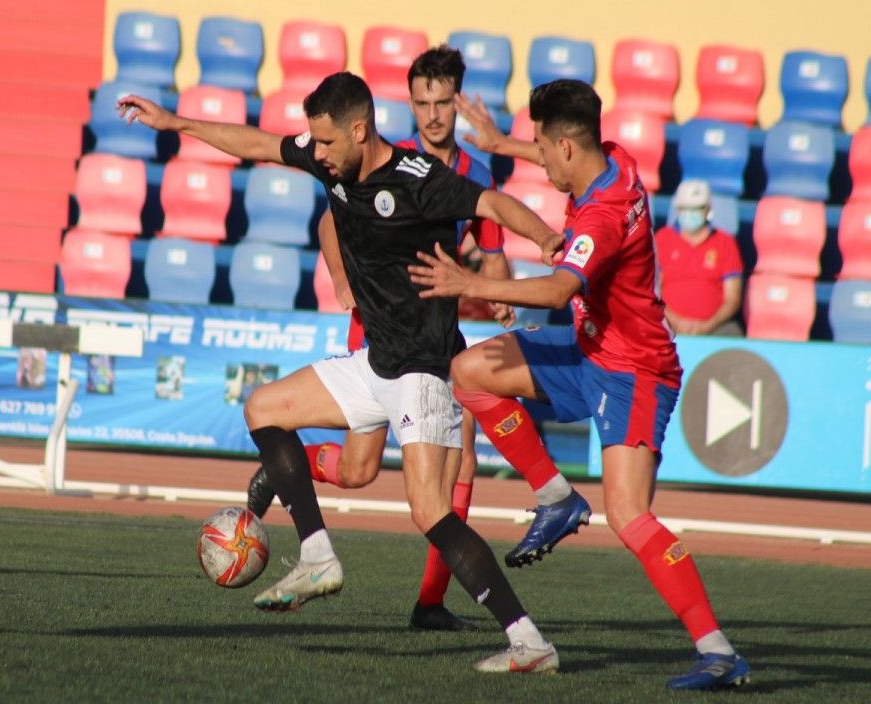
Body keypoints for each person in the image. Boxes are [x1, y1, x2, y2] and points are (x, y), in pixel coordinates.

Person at [119, 71, 566, 673]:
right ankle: (318, 553)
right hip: (375, 360)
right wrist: (177, 124)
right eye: (314, 144)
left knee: (429, 512)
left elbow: (491, 202)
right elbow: (255, 143)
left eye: (326, 143)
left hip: (423, 372)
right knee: (263, 408)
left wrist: (542, 237)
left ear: (360, 130)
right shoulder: (332, 160)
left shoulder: (417, 180)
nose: (318, 154)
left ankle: (527, 641)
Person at [409, 80, 750, 689]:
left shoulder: (604, 214)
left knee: (630, 515)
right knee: (471, 371)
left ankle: (718, 650)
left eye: (543, 147)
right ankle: (555, 495)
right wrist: (500, 143)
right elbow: (554, 152)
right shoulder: (614, 156)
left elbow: (558, 291)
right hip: (587, 349)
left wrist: (471, 286)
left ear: (566, 146)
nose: (539, 158)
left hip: (634, 372)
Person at [244, 46, 516, 633]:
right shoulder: (388, 163)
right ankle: (289, 473)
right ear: (410, 105)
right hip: (378, 325)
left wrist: (503, 296)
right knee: (361, 470)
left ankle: (430, 602)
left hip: (439, 337)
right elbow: (331, 216)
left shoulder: (472, 175)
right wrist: (342, 279)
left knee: (453, 467)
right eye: (422, 103)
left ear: (458, 104)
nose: (433, 115)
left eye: (443, 102)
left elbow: (494, 253)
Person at [654, 179, 744, 336]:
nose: (690, 213)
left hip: (716, 327)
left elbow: (733, 298)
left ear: (708, 209)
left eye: (697, 208)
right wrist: (676, 322)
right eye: (685, 208)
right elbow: (653, 291)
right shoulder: (662, 239)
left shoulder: (725, 242)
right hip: (666, 322)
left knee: (733, 334)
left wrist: (707, 326)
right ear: (678, 210)